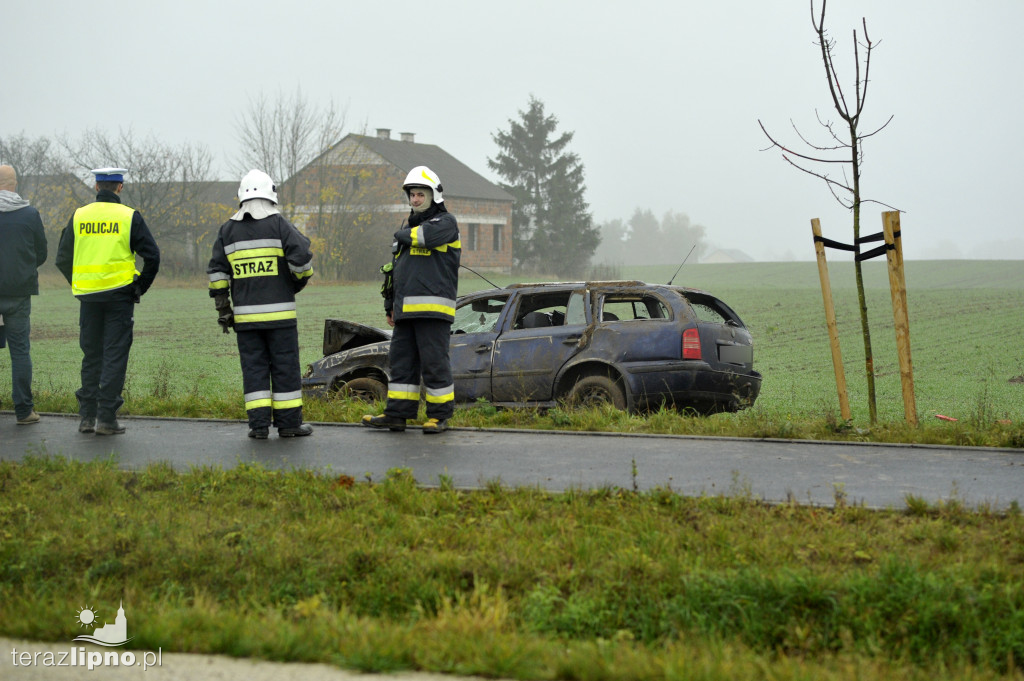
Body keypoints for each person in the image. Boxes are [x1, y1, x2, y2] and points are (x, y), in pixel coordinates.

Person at [207, 169, 314, 439]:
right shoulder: (279, 224)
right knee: (285, 367)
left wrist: (224, 309)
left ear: (241, 196)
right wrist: (295, 283)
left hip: (245, 320)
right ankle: (289, 425)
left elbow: (217, 273)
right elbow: (302, 258)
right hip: (281, 318)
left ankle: (258, 427)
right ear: (271, 195)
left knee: (254, 370)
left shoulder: (227, 230)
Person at [56, 167, 160, 435]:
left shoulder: (79, 216)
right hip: (119, 298)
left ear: (96, 186)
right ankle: (106, 419)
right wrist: (139, 287)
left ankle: (87, 418)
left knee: (92, 356)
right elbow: (153, 257)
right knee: (114, 355)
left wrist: (80, 283)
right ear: (119, 188)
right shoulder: (129, 217)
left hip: (88, 299)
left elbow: (62, 258)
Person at [362, 166, 460, 434]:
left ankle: (439, 416)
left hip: (433, 312)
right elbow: (394, 272)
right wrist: (389, 305)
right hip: (405, 313)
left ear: (434, 196)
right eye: (412, 195)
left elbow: (425, 238)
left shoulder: (446, 223)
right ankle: (397, 414)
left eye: (420, 194)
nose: (415, 199)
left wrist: (400, 234)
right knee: (401, 364)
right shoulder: (409, 229)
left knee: (435, 364)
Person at [0, 165, 48, 425]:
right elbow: (41, 253)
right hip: (19, 293)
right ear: (14, 184)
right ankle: (24, 411)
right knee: (20, 352)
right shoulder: (30, 215)